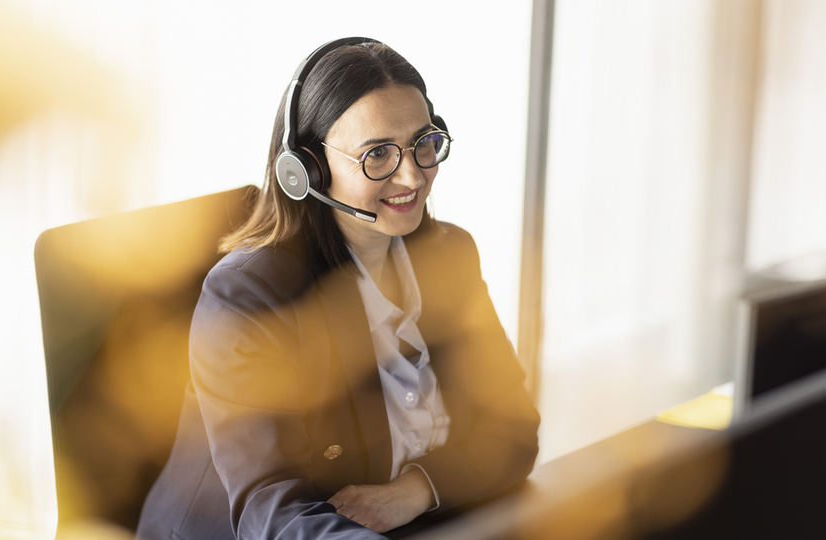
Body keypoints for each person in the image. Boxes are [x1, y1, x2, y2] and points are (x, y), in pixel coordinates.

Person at [137, 37, 539, 540]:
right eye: (377, 155)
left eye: (423, 143)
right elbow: (273, 514)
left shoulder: (449, 254)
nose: (412, 175)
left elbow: (514, 431)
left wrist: (417, 489)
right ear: (307, 171)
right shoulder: (249, 297)